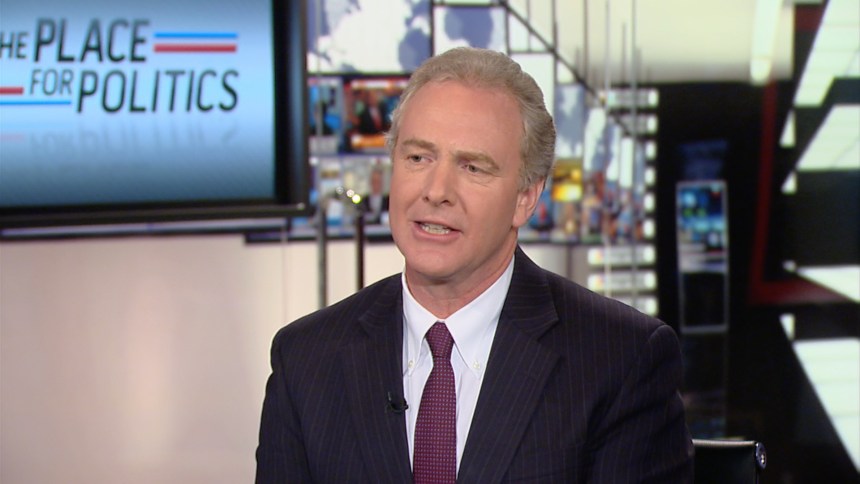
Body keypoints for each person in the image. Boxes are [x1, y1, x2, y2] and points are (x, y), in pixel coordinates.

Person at [256, 47, 693, 482]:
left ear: (525, 197)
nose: (436, 191)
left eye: (473, 167)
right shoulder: (305, 360)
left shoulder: (621, 359)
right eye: (418, 158)